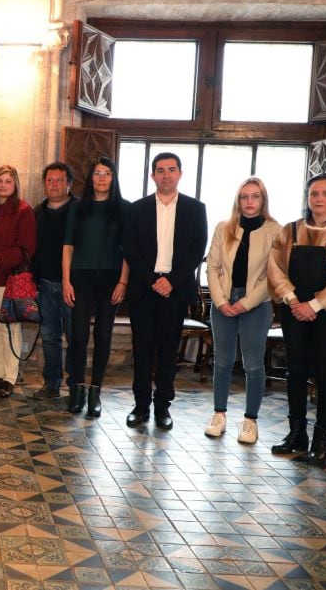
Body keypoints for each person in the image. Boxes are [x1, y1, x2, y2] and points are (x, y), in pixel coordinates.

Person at [267, 173, 326, 466]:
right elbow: (275, 267)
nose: (318, 199)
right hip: (294, 306)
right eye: (313, 194)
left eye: (325, 194)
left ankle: (321, 440)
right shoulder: (290, 230)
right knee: (295, 371)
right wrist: (293, 300)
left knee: (325, 374)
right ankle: (297, 434)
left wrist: (317, 304)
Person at [123, 152, 207, 430]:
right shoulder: (137, 209)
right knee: (143, 350)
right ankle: (140, 406)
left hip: (176, 289)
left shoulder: (196, 208)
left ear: (180, 174)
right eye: (160, 170)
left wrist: (171, 280)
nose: (166, 175)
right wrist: (152, 280)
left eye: (172, 169)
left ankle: (163, 408)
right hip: (144, 290)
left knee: (169, 351)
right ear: (152, 176)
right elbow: (130, 249)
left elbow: (197, 250)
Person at [203, 178, 282, 443]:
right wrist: (222, 300)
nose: (249, 202)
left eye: (255, 197)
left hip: (256, 304)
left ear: (263, 200)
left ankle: (250, 421)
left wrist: (246, 302)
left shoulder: (275, 231)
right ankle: (219, 415)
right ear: (238, 200)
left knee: (253, 364)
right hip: (223, 300)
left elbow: (274, 275)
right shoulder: (224, 228)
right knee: (222, 361)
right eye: (244, 197)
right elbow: (212, 267)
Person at [62, 158, 131, 417]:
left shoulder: (124, 209)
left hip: (111, 278)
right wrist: (66, 280)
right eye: (97, 173)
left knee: (103, 336)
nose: (101, 178)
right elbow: (67, 247)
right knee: (78, 336)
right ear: (90, 178)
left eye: (107, 173)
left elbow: (128, 250)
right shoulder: (78, 208)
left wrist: (123, 281)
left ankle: (95, 392)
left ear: (113, 178)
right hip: (80, 277)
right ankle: (77, 390)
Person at [0, 165, 36, 397]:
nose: (3, 185)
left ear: (15, 185)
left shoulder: (23, 211)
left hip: (8, 278)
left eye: (8, 181)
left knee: (11, 328)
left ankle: (10, 378)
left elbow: (27, 248)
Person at [32, 163, 77, 400]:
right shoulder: (37, 212)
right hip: (45, 283)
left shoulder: (80, 209)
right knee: (49, 336)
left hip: (73, 285)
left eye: (59, 180)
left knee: (74, 335)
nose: (54, 185)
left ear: (69, 183)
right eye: (49, 180)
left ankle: (75, 382)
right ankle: (52, 383)